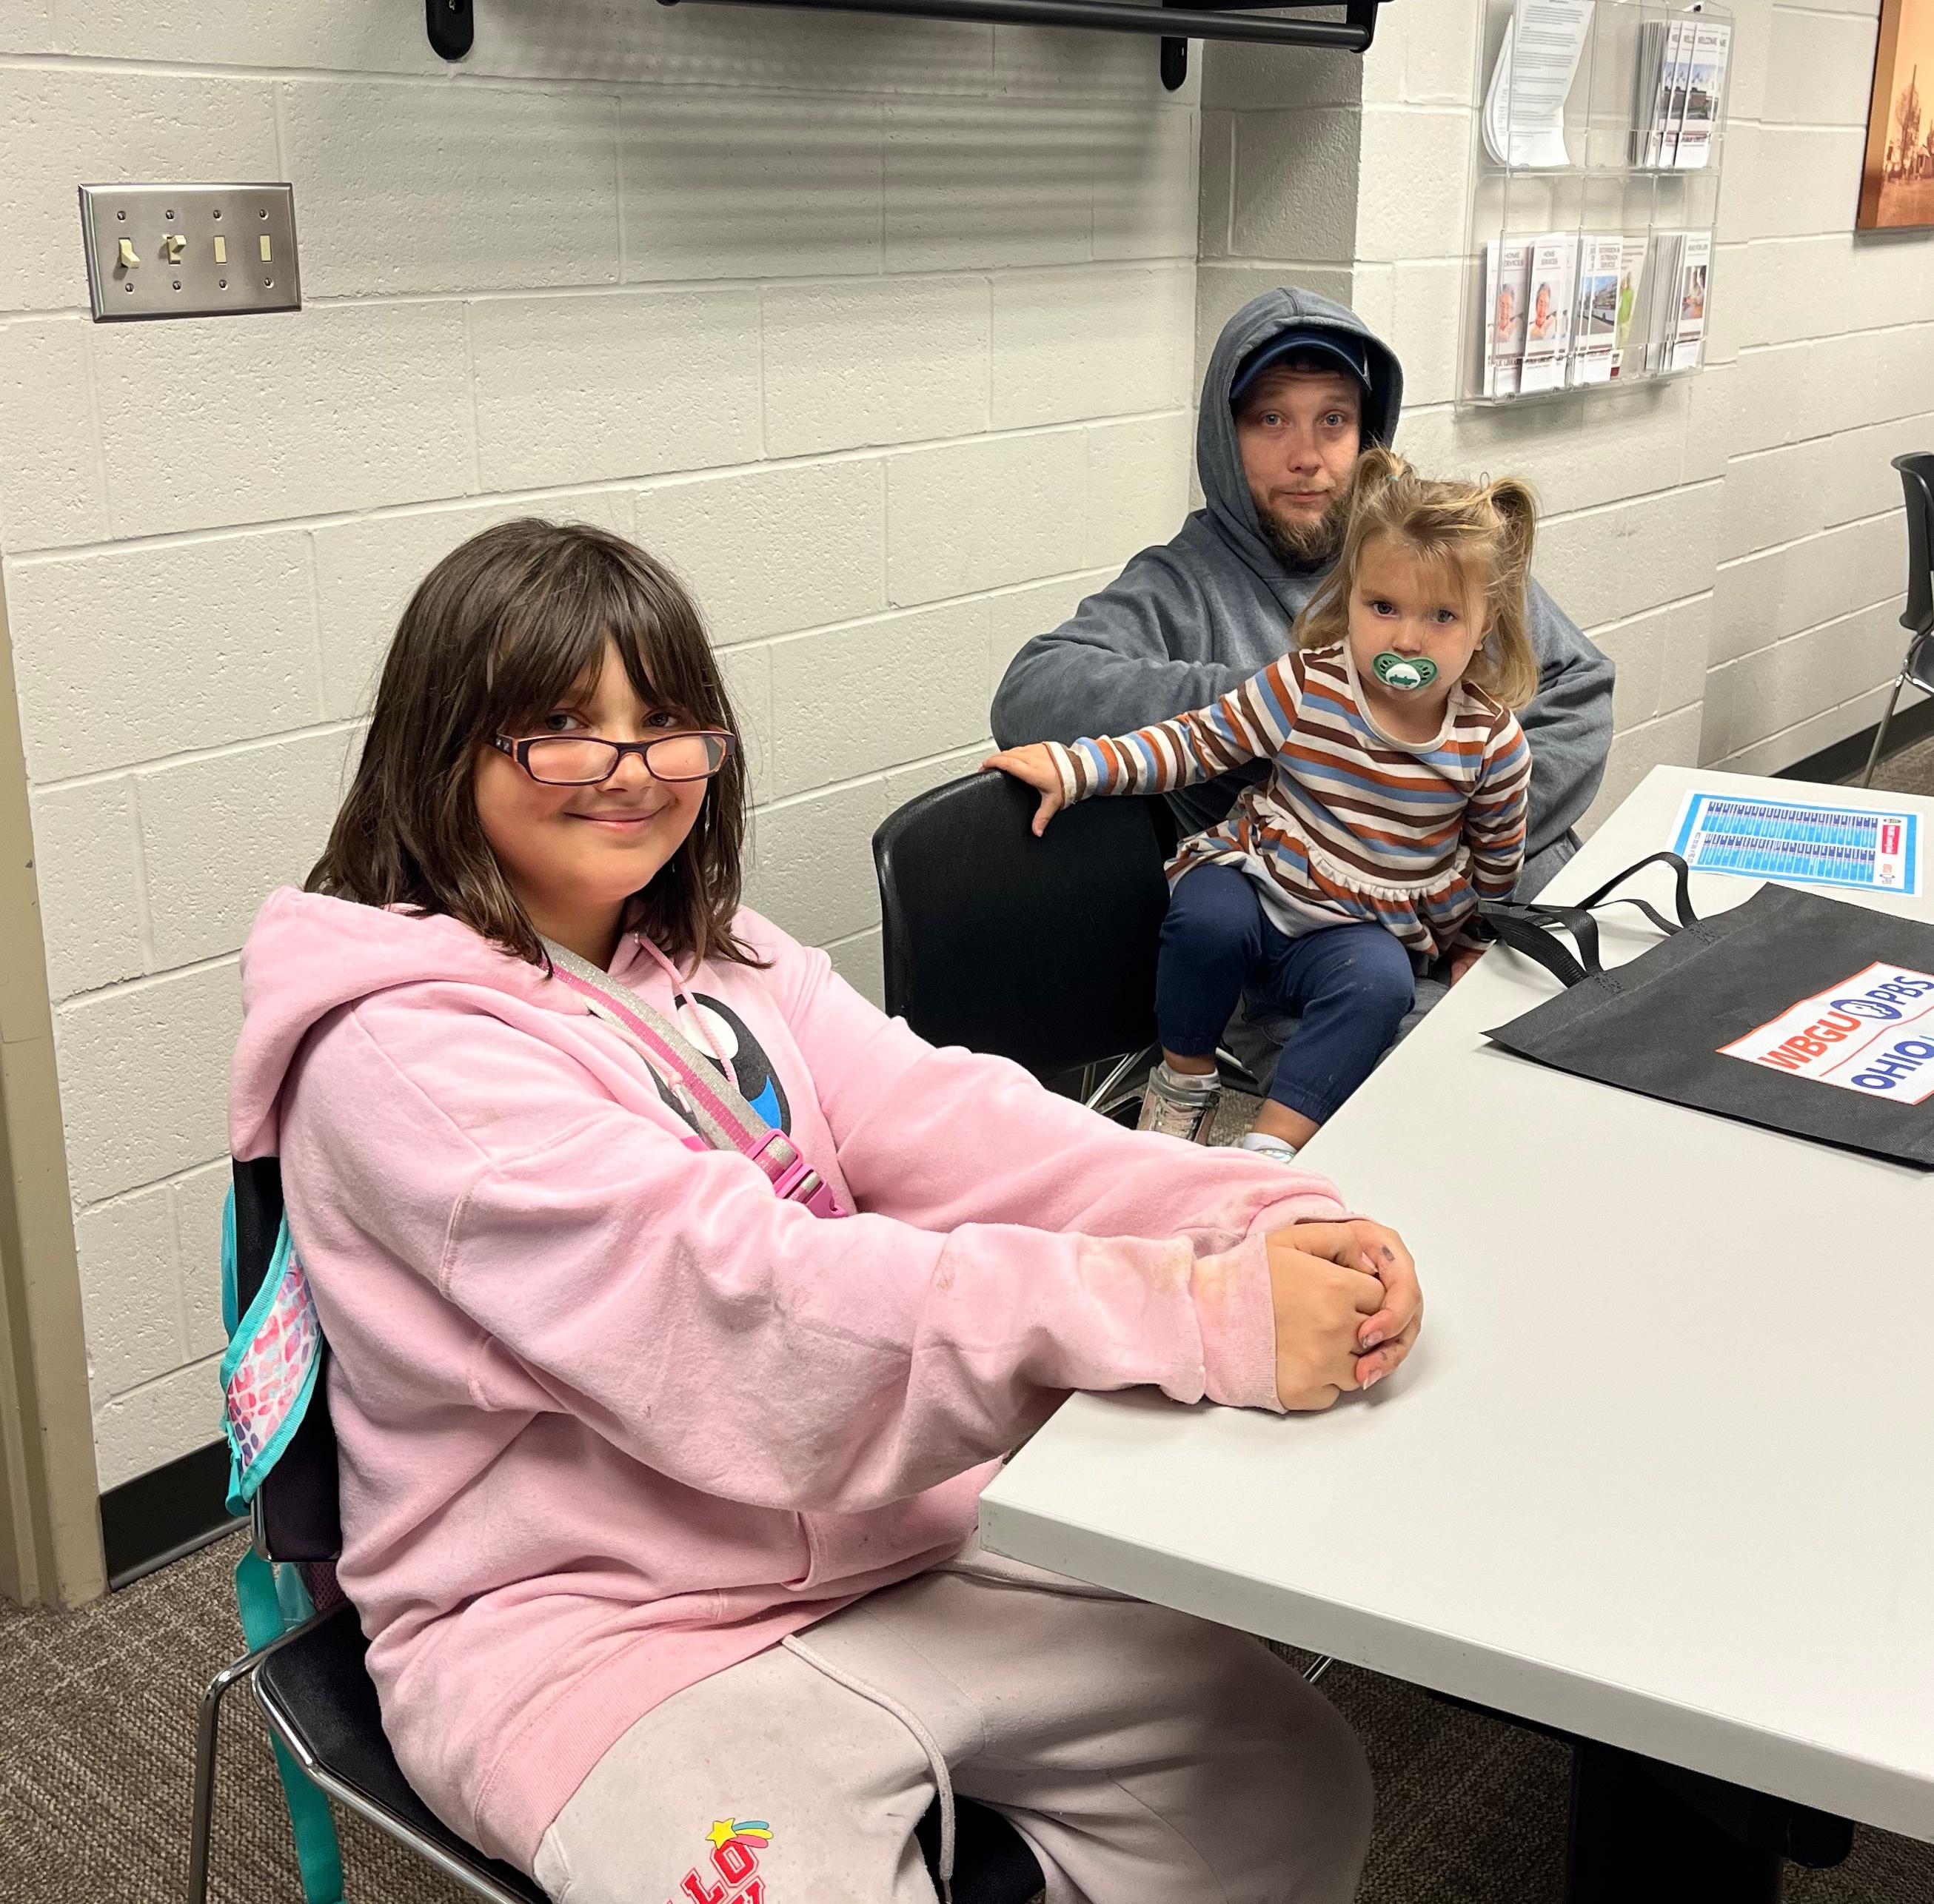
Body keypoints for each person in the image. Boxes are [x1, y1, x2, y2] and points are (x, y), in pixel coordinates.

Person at [228, 520, 1425, 1904]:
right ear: (446, 745)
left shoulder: (723, 957)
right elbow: (745, 1309)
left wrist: (1252, 1215)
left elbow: (966, 1125)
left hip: (887, 1540)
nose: (633, 770)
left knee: (1283, 1791)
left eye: (667, 721)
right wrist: (1190, 1315)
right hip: (595, 1635)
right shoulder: (403, 1058)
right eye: (561, 726)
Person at [991, 286, 1612, 1087]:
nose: (1306, 456)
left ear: (1366, 432)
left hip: (1497, 916)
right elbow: (1030, 690)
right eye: (1269, 419)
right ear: (1225, 434)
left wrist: (1439, 825)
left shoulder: (1428, 549)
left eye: (1332, 420)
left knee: (1644, 1047)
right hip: (1326, 960)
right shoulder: (1182, 584)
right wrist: (1288, 708)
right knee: (1491, 1096)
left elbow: (1577, 685)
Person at [988, 450, 1536, 1156]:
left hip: (1362, 933)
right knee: (1205, 911)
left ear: (1483, 629)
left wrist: (1473, 940)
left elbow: (1498, 856)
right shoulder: (1307, 685)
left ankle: (1271, 1147)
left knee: (1381, 985)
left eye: (1441, 618)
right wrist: (1077, 766)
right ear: (1350, 600)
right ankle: (1182, 1085)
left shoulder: (1490, 743)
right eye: (1382, 607)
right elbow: (1193, 743)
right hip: (1262, 881)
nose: (1405, 639)